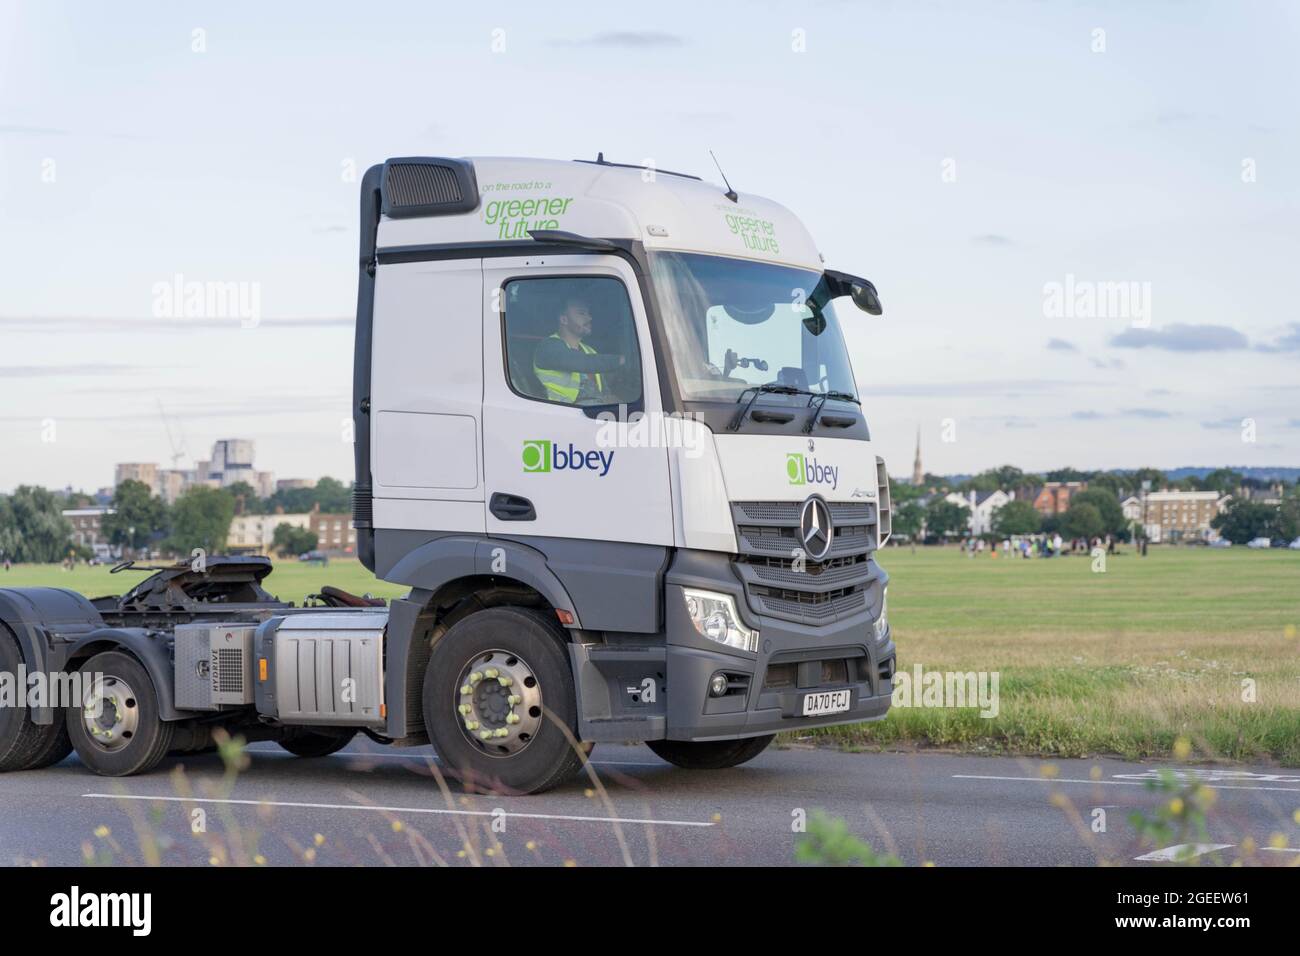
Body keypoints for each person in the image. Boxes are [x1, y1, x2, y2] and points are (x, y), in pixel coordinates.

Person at [532, 296, 627, 404]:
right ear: (564, 319)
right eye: (582, 313)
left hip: (594, 411)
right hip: (565, 412)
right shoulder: (548, 347)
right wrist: (622, 360)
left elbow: (604, 391)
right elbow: (580, 361)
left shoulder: (589, 351)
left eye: (588, 313)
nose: (590, 318)